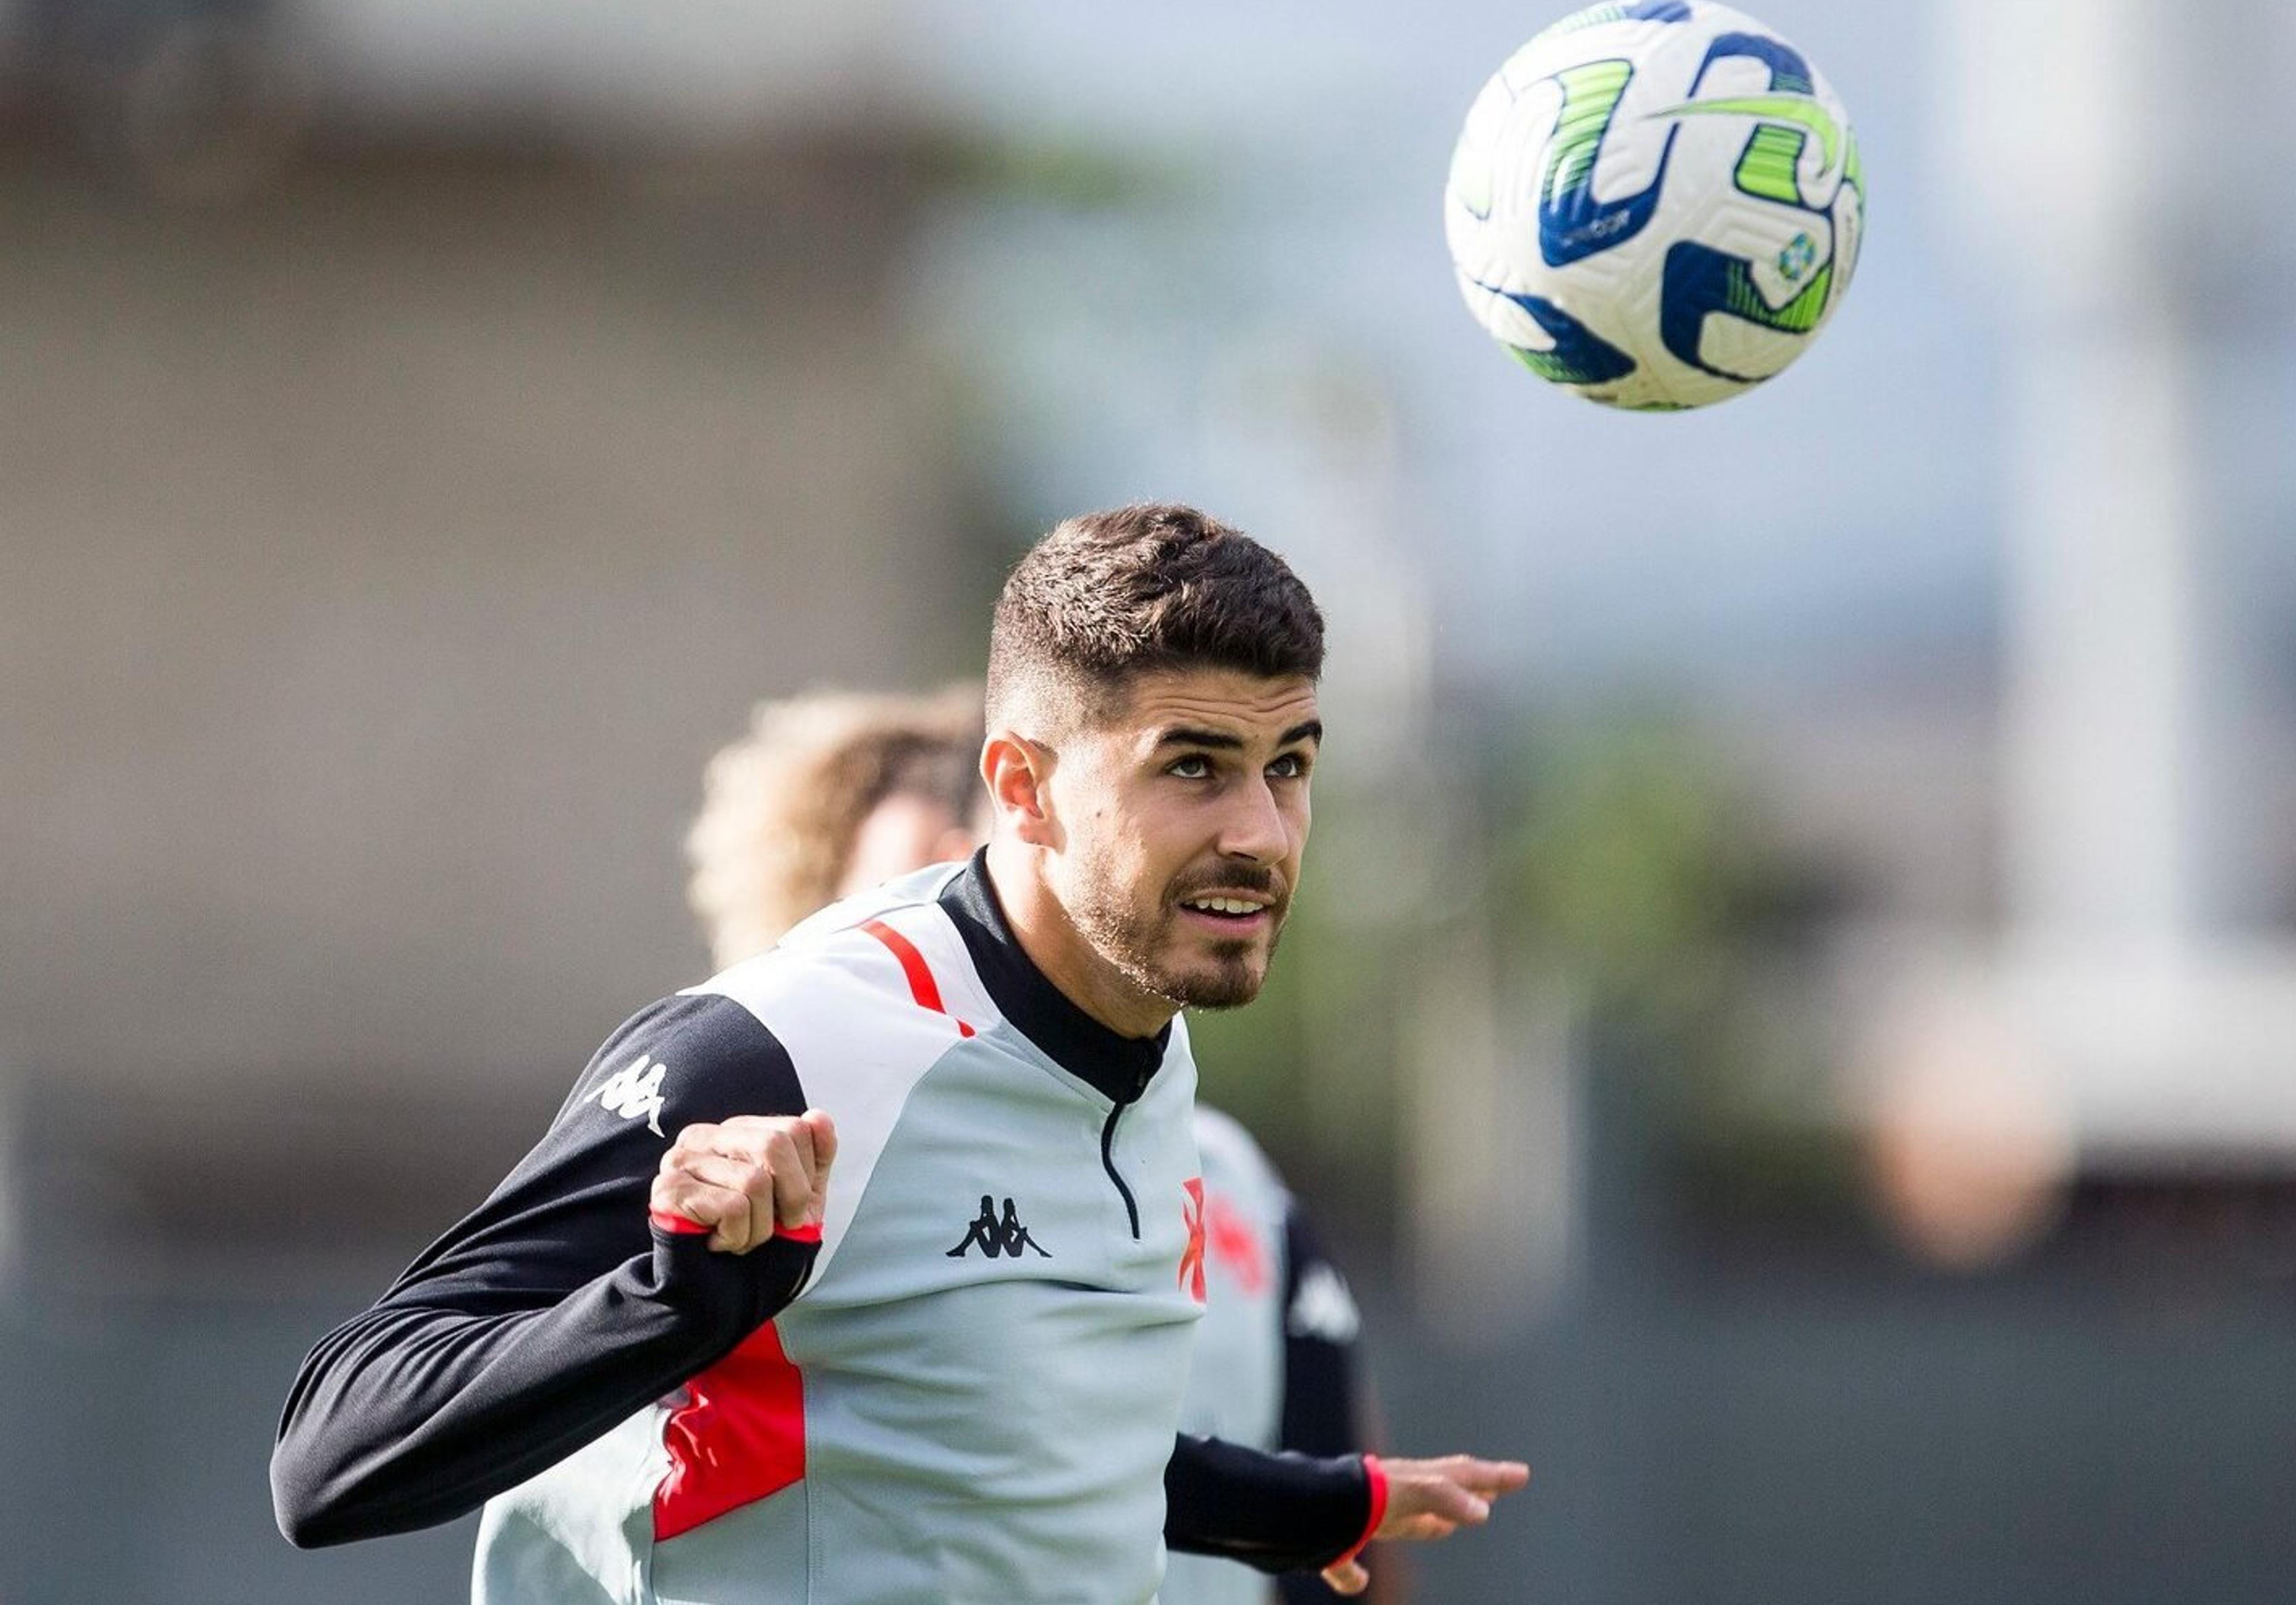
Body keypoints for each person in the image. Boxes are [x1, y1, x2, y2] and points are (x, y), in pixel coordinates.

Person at [271, 504, 1525, 1604]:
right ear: (1021, 790)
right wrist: (670, 1308)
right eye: (1191, 767)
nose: (1259, 831)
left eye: (1288, 765)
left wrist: (1310, 1507)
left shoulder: (1148, 1051)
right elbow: (331, 1452)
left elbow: (1014, 1440)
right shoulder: (788, 1046)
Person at [684, 685, 1399, 1605]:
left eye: (970, 865)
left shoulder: (1234, 1186)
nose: (948, 907)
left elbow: (1356, 1536)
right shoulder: (752, 1175)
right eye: (908, 885)